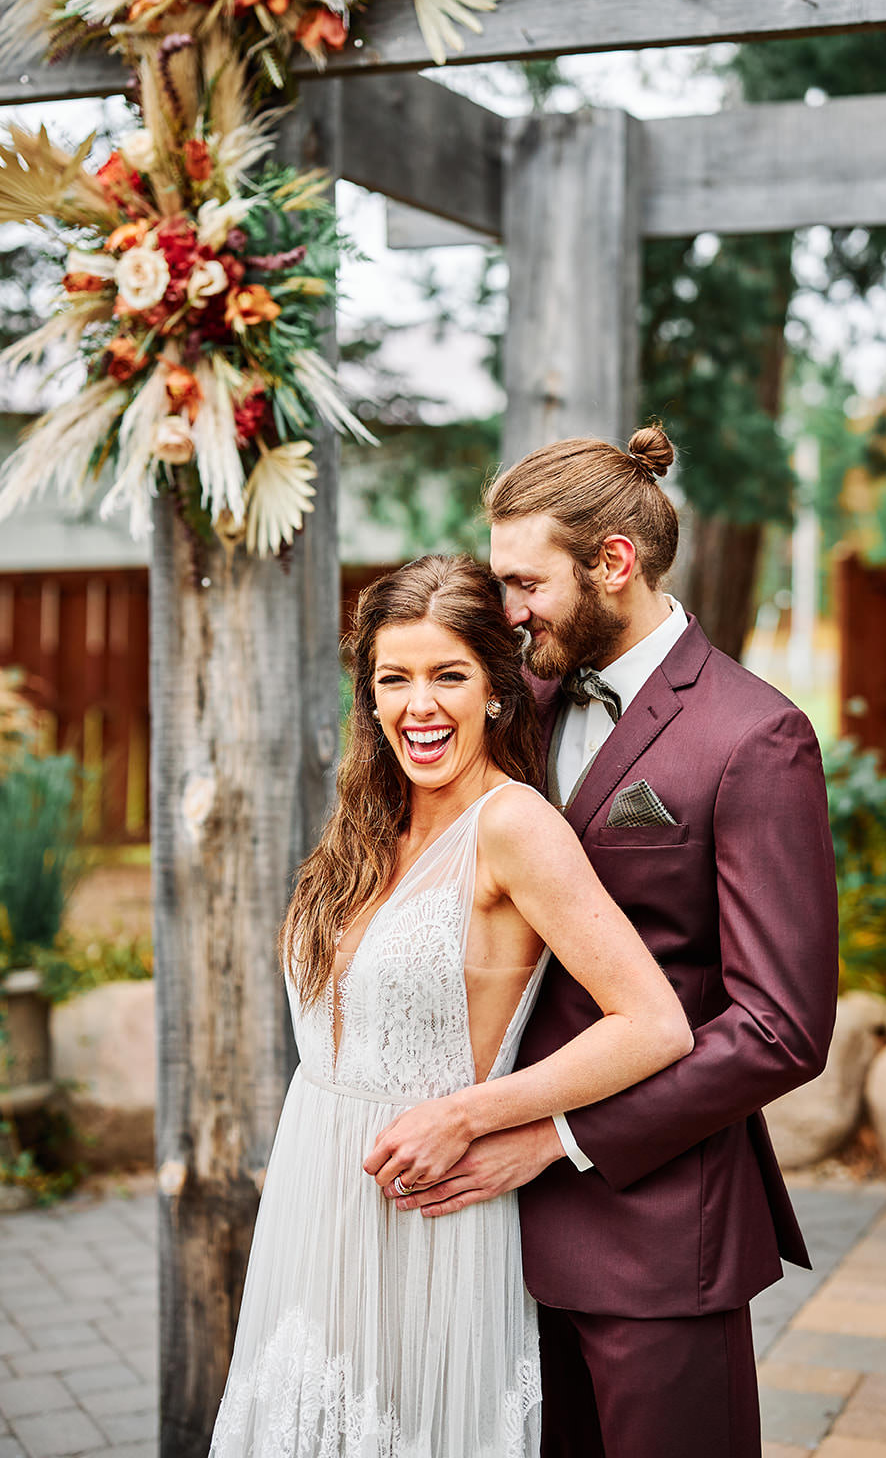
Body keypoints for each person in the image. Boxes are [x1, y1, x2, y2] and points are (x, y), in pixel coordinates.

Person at [387, 428, 840, 1458]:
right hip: (489, 1239)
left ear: (613, 563)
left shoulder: (752, 737)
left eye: (520, 581)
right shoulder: (515, 710)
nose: (503, 610)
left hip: (653, 1232)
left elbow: (778, 1028)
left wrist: (555, 1139)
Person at [208, 554, 693, 1458]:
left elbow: (653, 1024)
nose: (418, 705)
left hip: (431, 1209)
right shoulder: (366, 819)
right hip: (317, 1198)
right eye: (394, 677)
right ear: (369, 692)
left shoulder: (512, 826)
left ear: (496, 691)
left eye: (448, 676)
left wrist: (472, 1116)